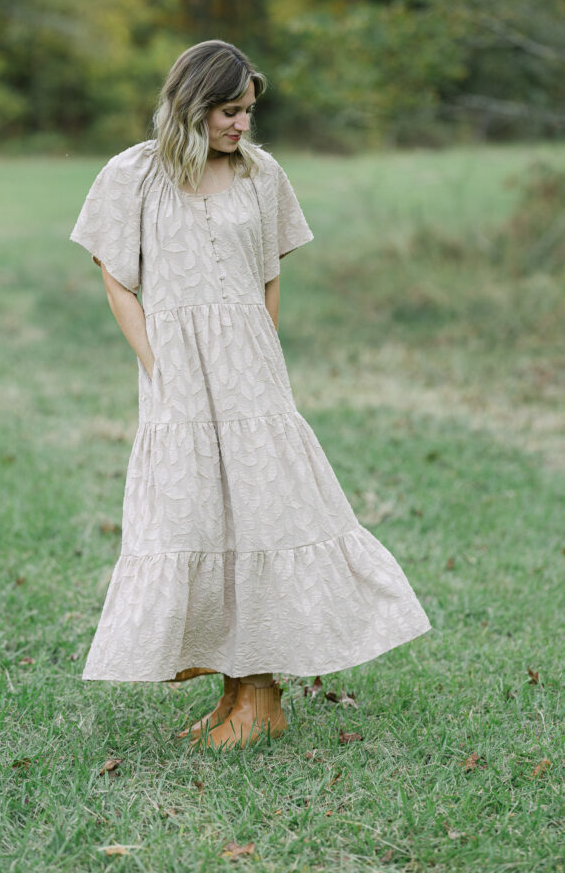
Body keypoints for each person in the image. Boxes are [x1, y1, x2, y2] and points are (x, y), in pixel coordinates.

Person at [69, 39, 432, 751]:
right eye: (228, 111)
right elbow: (115, 273)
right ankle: (234, 688)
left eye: (247, 112)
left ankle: (263, 696)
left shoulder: (262, 176)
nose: (241, 125)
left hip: (249, 372)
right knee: (195, 513)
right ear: (191, 105)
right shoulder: (134, 174)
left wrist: (262, 361)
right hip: (177, 371)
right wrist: (155, 361)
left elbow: (268, 276)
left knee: (263, 513)